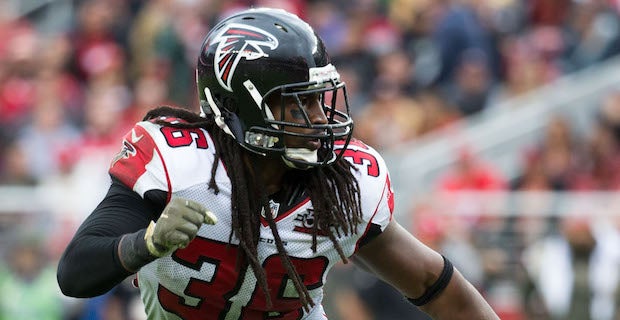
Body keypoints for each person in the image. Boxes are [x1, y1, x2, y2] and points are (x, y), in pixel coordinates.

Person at [57, 7, 499, 320]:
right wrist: (147, 243)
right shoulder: (177, 163)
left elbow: (432, 283)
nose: (320, 118)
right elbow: (75, 272)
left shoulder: (342, 186)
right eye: (297, 105)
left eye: (318, 100)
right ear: (238, 108)